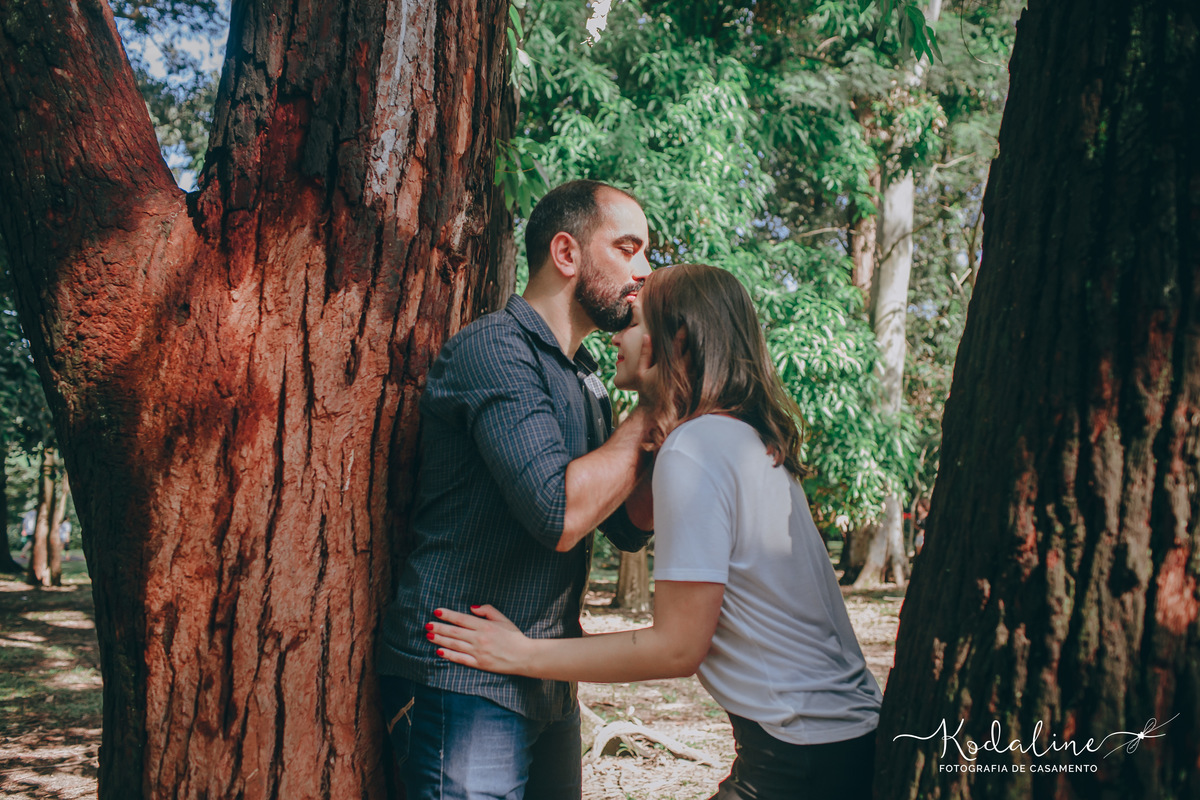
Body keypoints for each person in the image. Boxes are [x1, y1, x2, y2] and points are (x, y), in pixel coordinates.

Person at [428, 263, 883, 800]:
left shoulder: (697, 447)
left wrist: (520, 654)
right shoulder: (742, 438)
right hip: (841, 742)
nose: (617, 335)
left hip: (799, 756)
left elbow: (675, 648)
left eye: (635, 323)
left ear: (675, 341)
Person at [376, 180, 656, 799]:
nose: (643, 271)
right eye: (629, 249)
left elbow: (629, 527)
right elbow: (557, 513)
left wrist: (680, 421)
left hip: (545, 682)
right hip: (462, 676)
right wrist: (656, 410)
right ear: (566, 253)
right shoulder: (495, 349)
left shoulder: (586, 379)